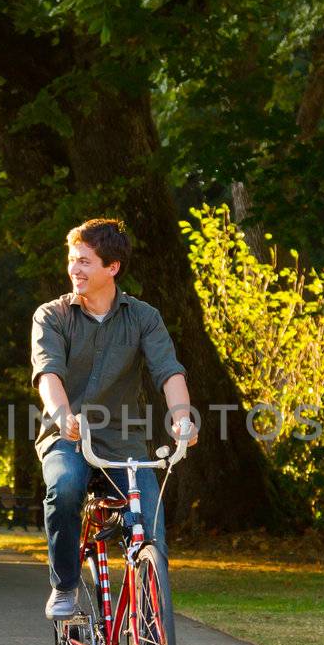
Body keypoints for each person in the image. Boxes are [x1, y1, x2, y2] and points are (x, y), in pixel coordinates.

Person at [29, 218, 198, 620]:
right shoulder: (51, 316)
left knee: (151, 529)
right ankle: (65, 585)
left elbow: (169, 372)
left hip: (123, 441)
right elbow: (48, 374)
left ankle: (152, 644)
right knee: (66, 487)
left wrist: (181, 419)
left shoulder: (143, 317)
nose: (75, 269)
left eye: (85, 261)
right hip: (67, 436)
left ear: (112, 267)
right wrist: (62, 415)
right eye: (73, 260)